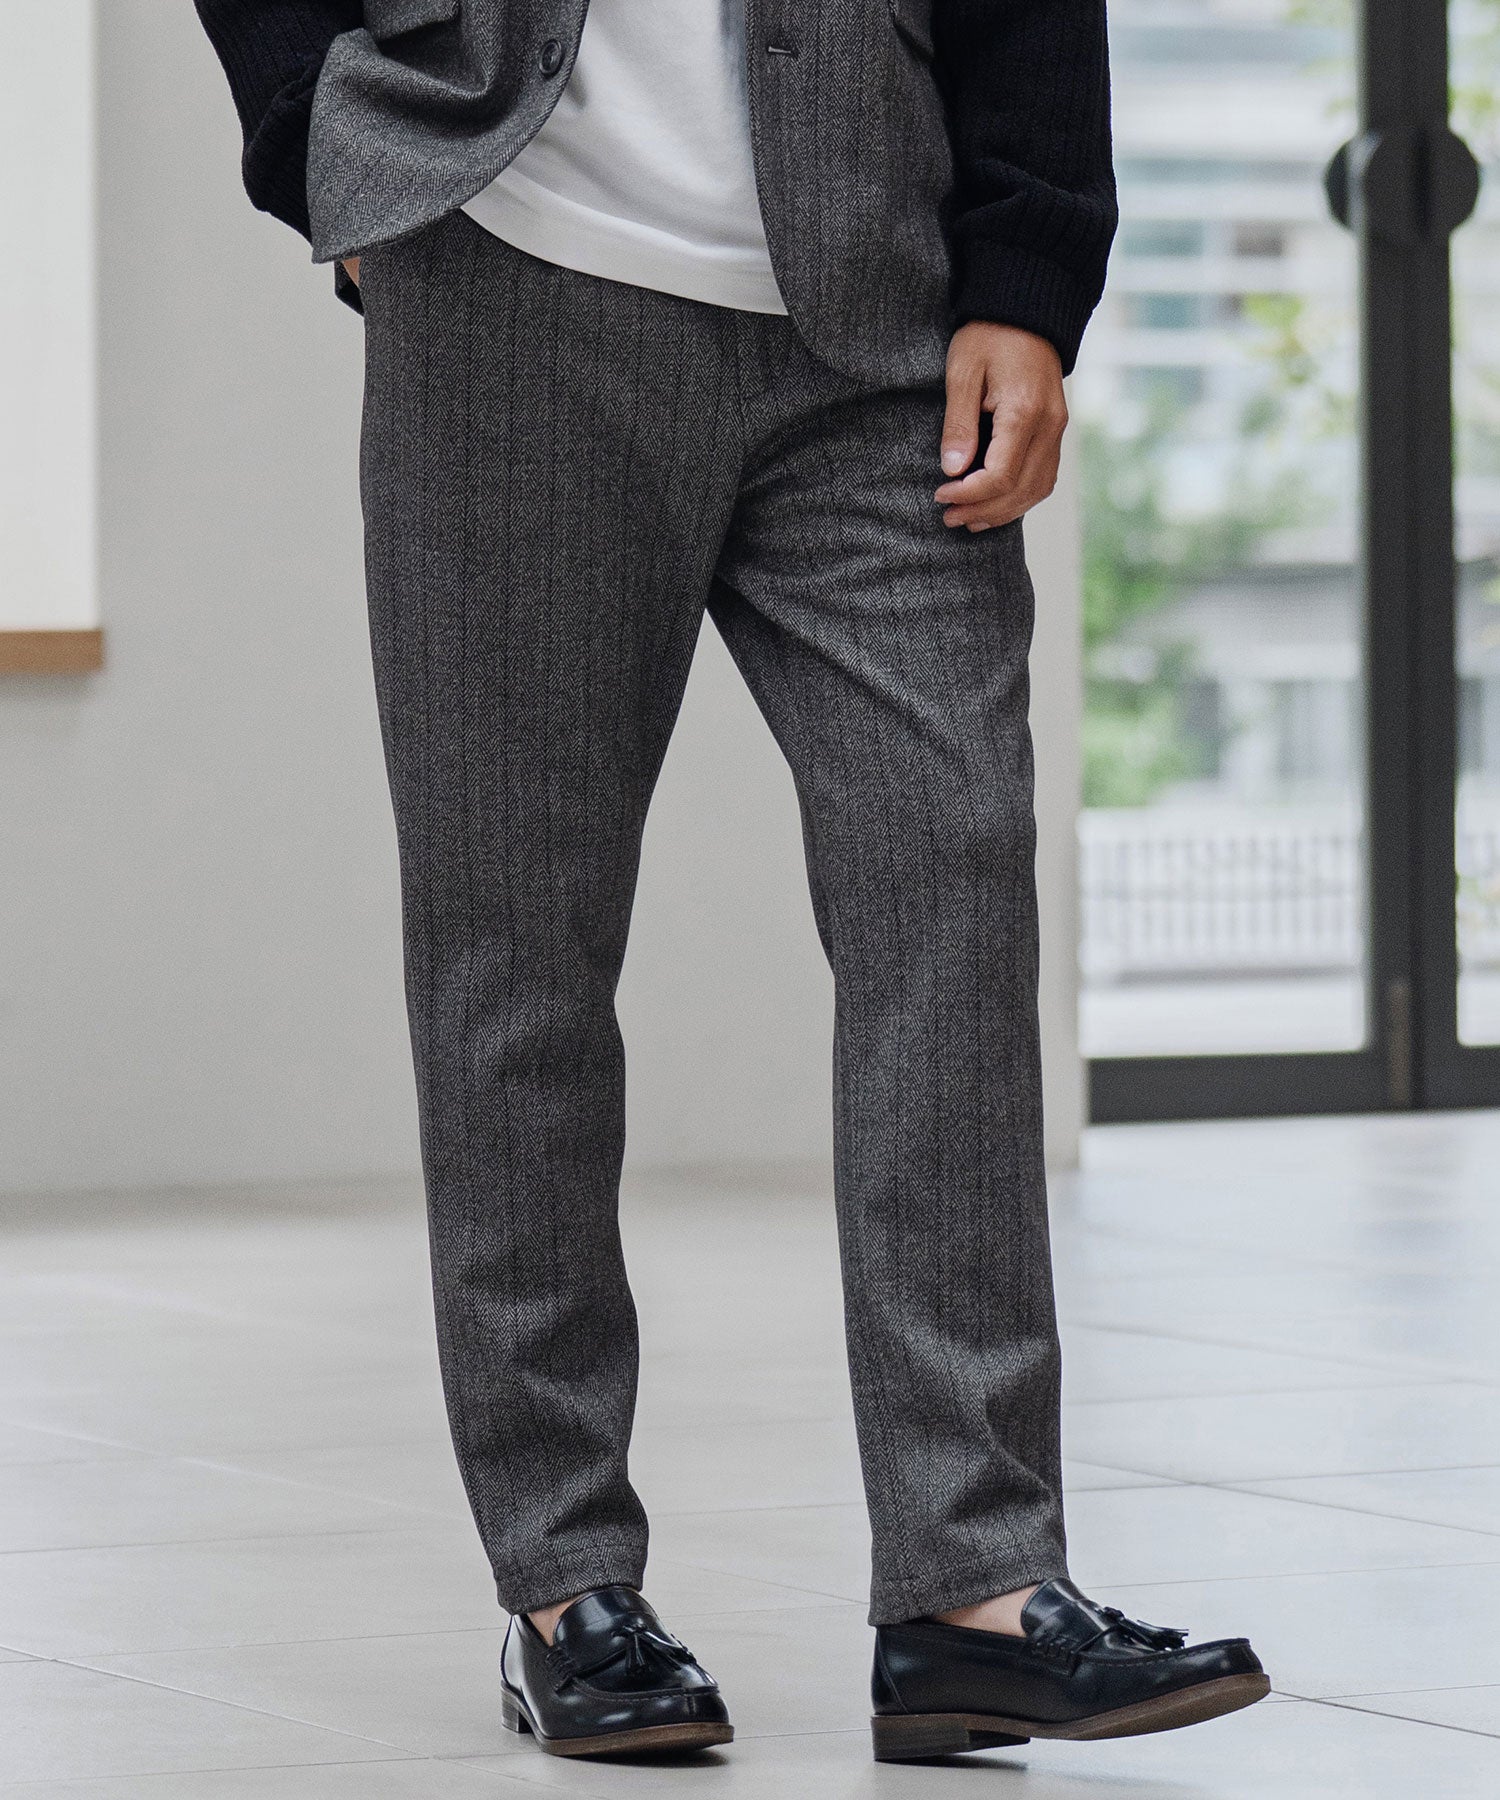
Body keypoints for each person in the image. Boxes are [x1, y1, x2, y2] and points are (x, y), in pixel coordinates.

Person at [195, 0, 1270, 1764]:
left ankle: (975, 1585)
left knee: (950, 869)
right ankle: (567, 1586)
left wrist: (1027, 271)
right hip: (514, 271)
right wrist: (318, 133)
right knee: (519, 945)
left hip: (875, 303)